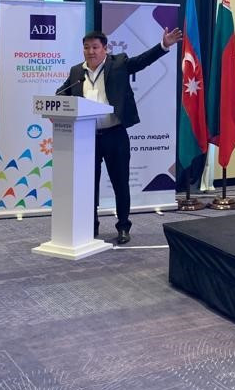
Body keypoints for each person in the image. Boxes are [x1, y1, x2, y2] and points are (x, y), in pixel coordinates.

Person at [56, 27, 182, 244]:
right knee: (88, 184)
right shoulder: (77, 72)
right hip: (87, 137)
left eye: (95, 47)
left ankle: (123, 226)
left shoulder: (119, 64)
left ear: (105, 49)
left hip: (114, 134)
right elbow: (60, 95)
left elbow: (142, 61)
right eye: (86, 48)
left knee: (120, 183)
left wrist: (164, 45)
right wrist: (57, 111)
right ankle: (90, 225)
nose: (90, 52)